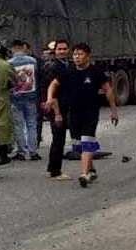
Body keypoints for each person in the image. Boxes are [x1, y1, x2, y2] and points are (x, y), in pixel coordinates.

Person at [47, 43, 119, 188]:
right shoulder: (69, 71)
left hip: (90, 113)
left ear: (88, 56)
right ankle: (91, 169)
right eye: (74, 54)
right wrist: (50, 98)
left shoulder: (96, 72)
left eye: (80, 54)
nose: (77, 57)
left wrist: (114, 110)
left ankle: (84, 174)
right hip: (73, 114)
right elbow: (53, 84)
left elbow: (108, 90)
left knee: (87, 141)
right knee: (80, 146)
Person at [44, 39, 72, 180]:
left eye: (64, 48)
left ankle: (54, 168)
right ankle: (55, 170)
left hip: (66, 106)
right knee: (58, 138)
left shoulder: (67, 65)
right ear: (54, 52)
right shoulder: (53, 67)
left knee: (61, 138)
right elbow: (52, 94)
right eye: (59, 49)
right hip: (57, 108)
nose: (62, 51)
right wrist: (57, 114)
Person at [8, 39, 41, 161]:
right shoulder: (32, 61)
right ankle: (33, 151)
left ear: (12, 48)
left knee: (18, 125)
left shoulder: (9, 63)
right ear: (23, 47)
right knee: (32, 124)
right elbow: (36, 76)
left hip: (16, 97)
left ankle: (21, 151)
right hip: (31, 96)